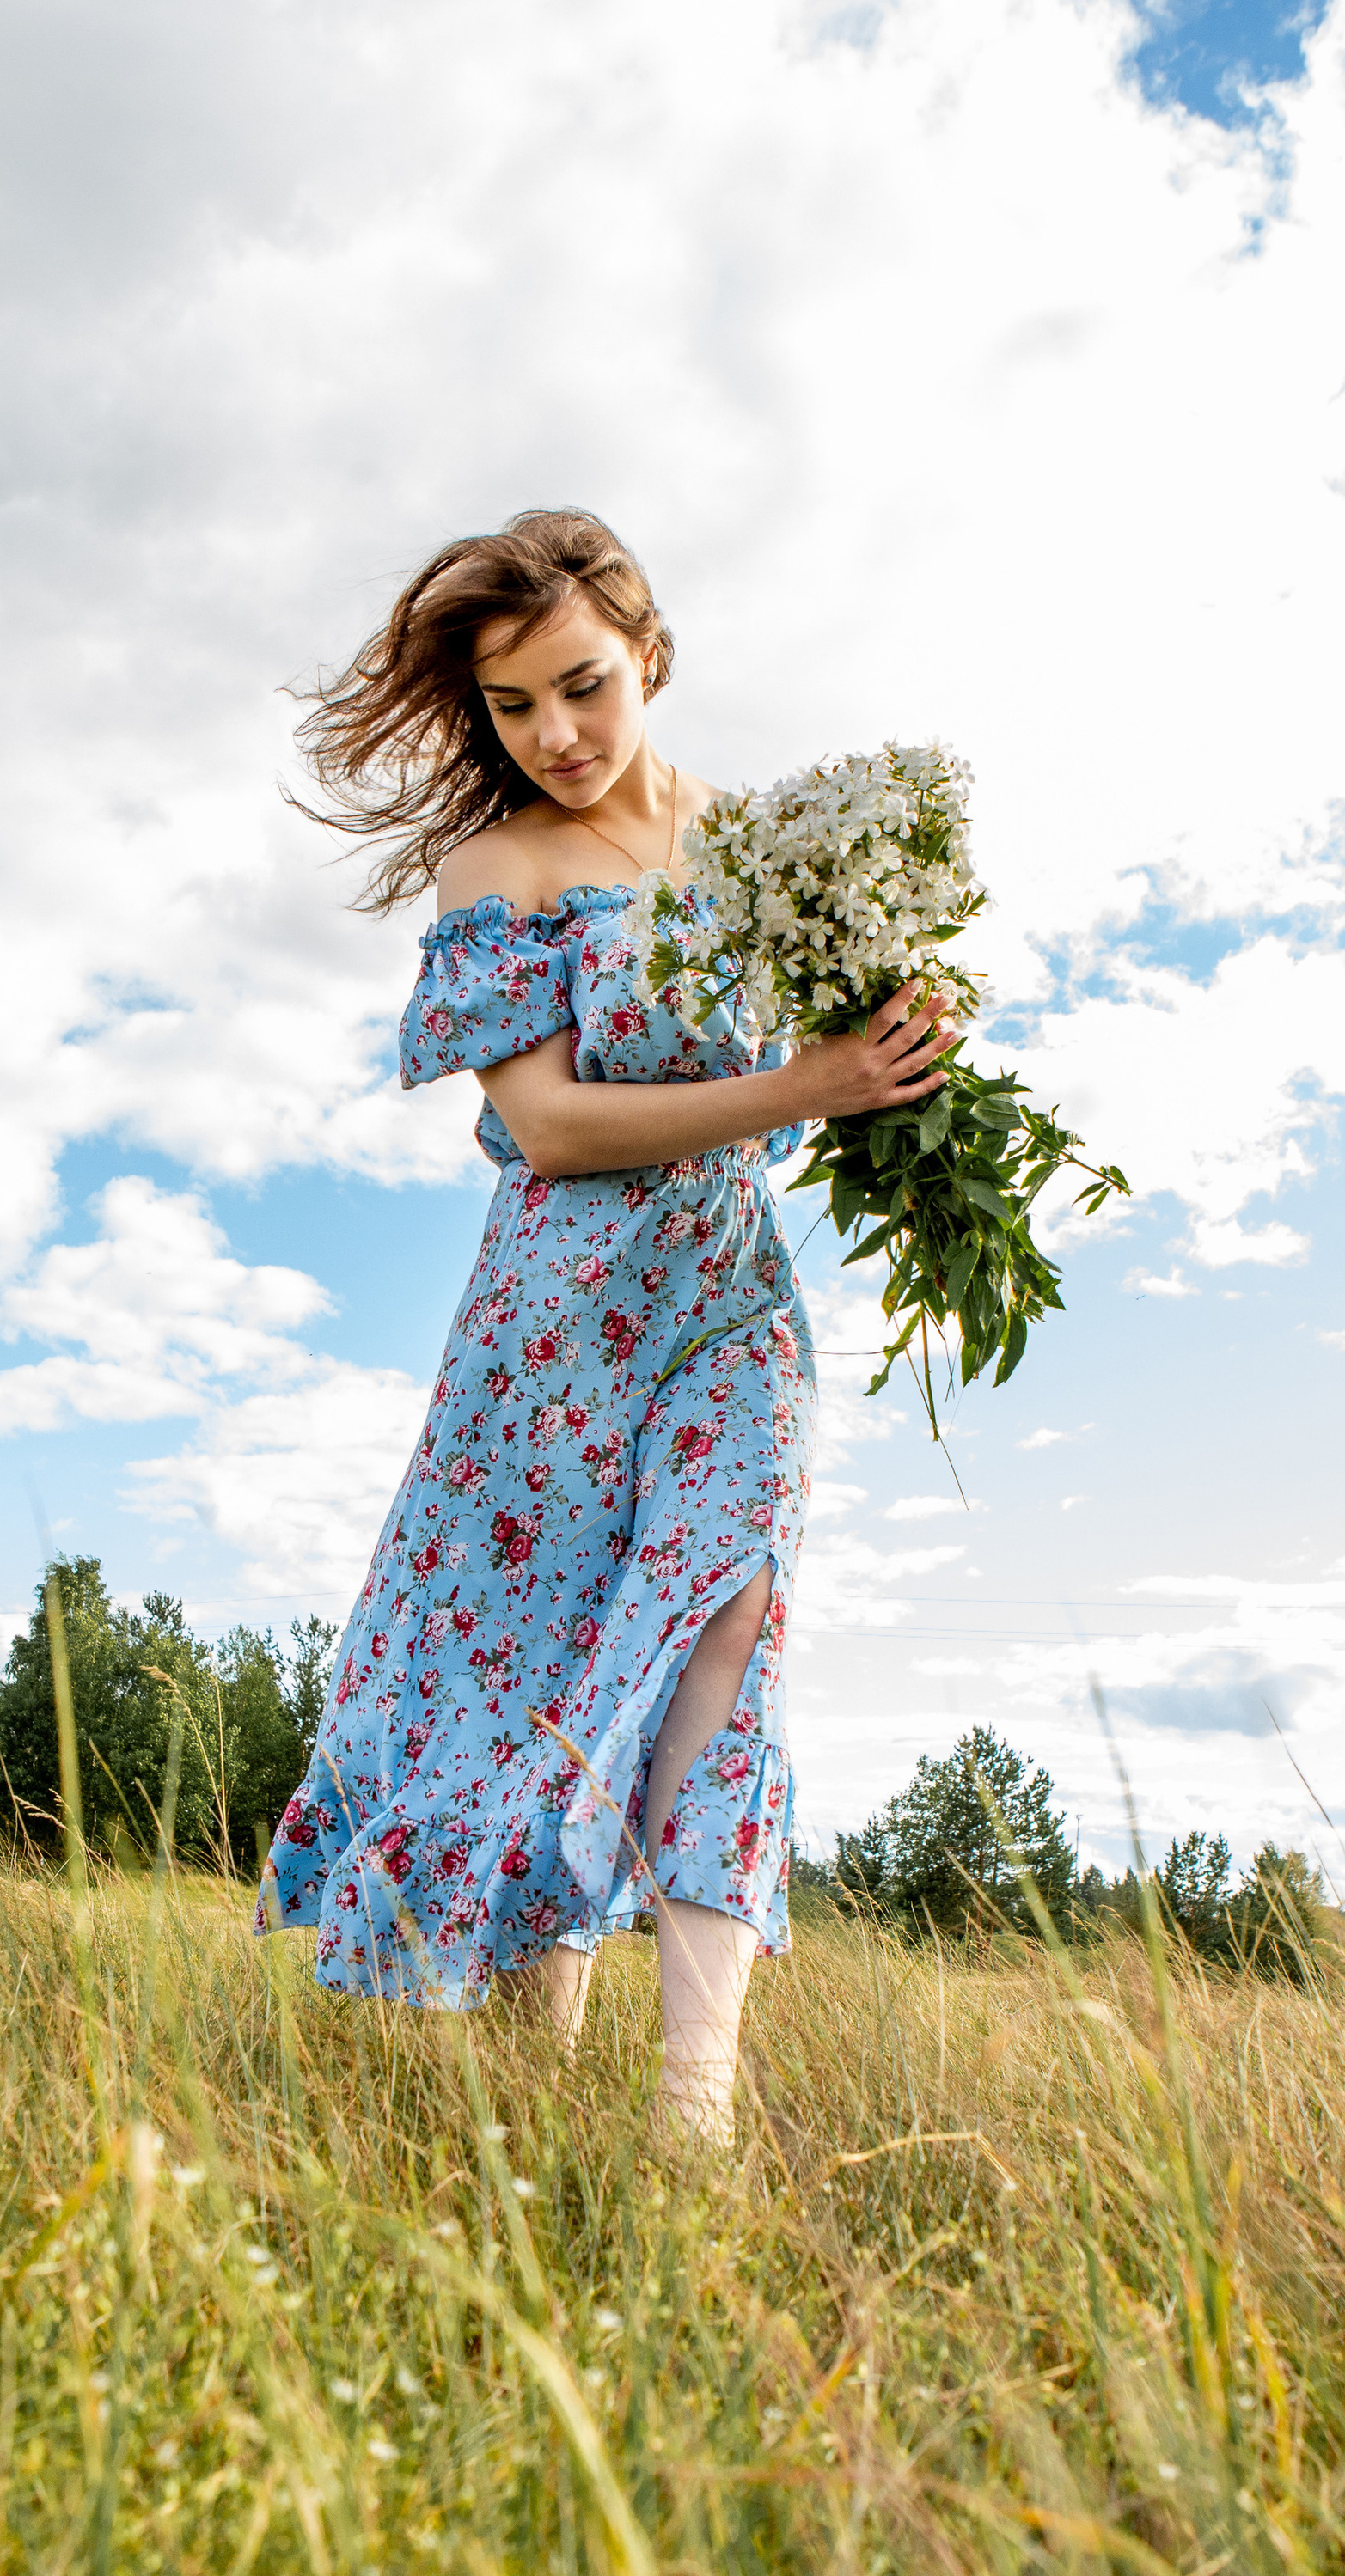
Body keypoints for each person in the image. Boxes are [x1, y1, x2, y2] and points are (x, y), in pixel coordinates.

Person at [259, 510, 956, 2134]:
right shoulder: (494, 869)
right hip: (553, 1331)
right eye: (510, 706)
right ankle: (528, 2090)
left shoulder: (763, 844)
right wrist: (803, 1084)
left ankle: (689, 2110)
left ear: (647, 652)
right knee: (547, 1678)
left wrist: (899, 1076)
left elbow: (840, 1057)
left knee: (730, 1620)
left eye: (579, 686)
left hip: (730, 1304)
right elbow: (553, 1129)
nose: (553, 736)